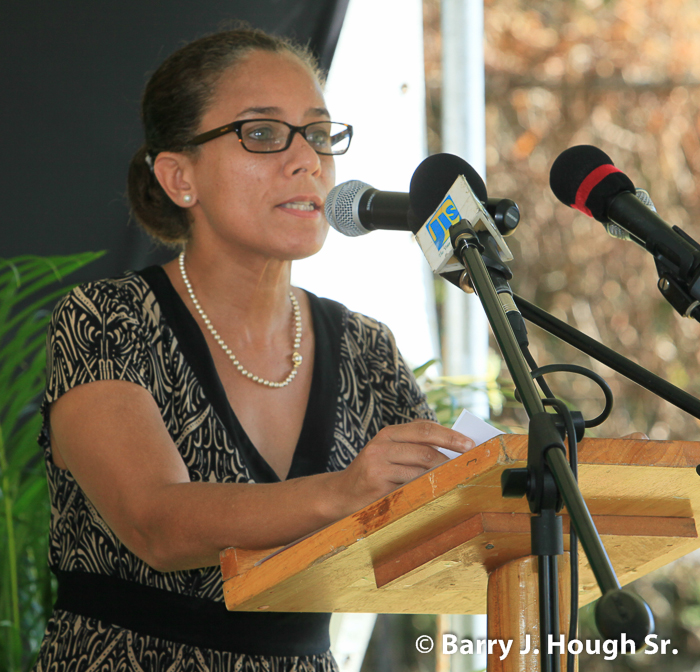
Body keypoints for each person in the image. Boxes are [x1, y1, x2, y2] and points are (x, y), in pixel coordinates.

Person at [33, 27, 474, 671]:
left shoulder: (366, 348)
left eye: (319, 135)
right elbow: (157, 523)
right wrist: (344, 492)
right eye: (262, 134)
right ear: (180, 177)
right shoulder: (107, 319)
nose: (308, 161)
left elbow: (431, 534)